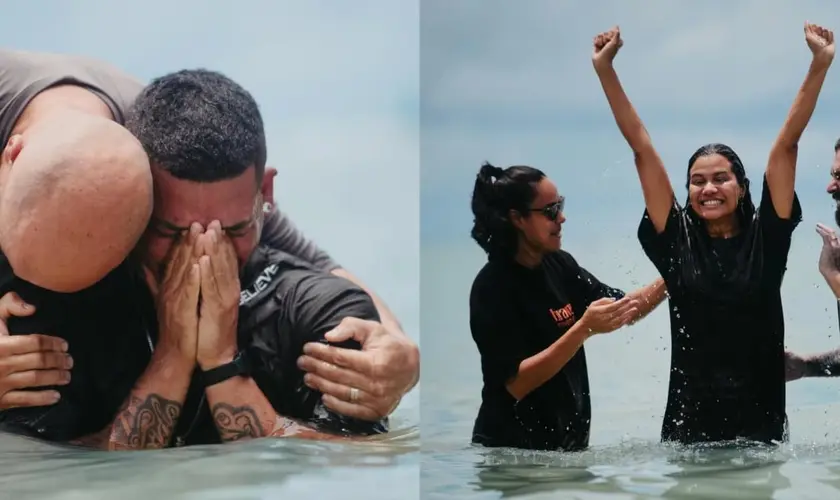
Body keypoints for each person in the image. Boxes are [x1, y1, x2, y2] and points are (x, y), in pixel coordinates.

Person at [0, 50, 417, 440]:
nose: (204, 253)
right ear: (10, 155)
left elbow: (317, 262)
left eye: (229, 232)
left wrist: (399, 349)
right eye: (174, 234)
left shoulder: (163, 142)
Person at [592, 23, 834, 445]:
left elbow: (786, 147)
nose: (708, 189)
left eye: (721, 178)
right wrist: (605, 70)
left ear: (741, 187)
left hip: (762, 436)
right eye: (697, 181)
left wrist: (819, 64)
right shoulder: (676, 242)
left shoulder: (767, 239)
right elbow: (642, 149)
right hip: (689, 435)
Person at [468, 162, 666, 451]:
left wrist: (674, 277)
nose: (562, 218)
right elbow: (514, 383)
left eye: (560, 206)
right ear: (518, 219)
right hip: (510, 453)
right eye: (550, 211)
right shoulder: (492, 287)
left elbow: (624, 308)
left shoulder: (560, 266)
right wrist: (583, 329)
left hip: (566, 452)